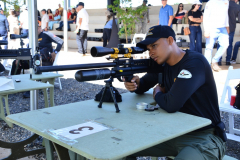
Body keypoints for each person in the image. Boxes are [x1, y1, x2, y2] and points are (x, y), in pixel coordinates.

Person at [122, 25, 226, 160]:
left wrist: (158, 93)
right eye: (148, 49)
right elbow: (143, 85)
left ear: (170, 40)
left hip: (204, 137)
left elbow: (171, 104)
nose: (151, 52)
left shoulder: (194, 62)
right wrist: (134, 82)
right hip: (172, 133)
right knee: (121, 148)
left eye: (154, 46)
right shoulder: (163, 65)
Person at [203, 0, 229, 72]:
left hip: (223, 28)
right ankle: (207, 67)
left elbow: (226, 14)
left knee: (225, 45)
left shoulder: (226, 1)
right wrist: (206, 30)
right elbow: (206, 16)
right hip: (212, 28)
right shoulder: (210, 2)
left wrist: (227, 26)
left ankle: (214, 61)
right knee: (209, 48)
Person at [219, 0, 240, 65]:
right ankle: (228, 61)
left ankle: (219, 60)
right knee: (229, 44)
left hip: (222, 27)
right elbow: (239, 19)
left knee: (220, 44)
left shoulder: (223, 4)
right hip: (231, 27)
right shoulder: (237, 6)